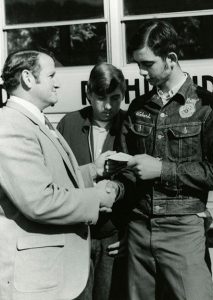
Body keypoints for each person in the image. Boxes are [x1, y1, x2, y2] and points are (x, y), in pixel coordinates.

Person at [116, 20, 213, 300]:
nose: (142, 72)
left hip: (183, 227)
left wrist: (162, 170)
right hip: (139, 226)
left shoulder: (207, 106)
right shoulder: (138, 107)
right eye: (138, 65)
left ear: (171, 59)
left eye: (148, 64)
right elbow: (125, 170)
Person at [0, 50, 121, 300]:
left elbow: (53, 179)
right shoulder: (10, 125)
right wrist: (95, 198)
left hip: (54, 274)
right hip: (36, 279)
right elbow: (40, 200)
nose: (57, 82)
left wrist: (92, 171)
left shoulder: (34, 120)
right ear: (27, 78)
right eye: (52, 75)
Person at [57, 62, 127, 300]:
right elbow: (56, 178)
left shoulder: (131, 125)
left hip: (113, 236)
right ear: (88, 93)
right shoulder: (69, 123)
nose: (108, 106)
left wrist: (131, 234)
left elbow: (142, 186)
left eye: (115, 98)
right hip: (76, 236)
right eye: (100, 97)